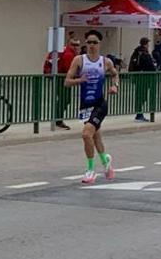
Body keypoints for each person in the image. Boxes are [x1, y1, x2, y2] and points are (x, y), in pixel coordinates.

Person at [64, 30, 120, 183]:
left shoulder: (105, 62)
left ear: (99, 44)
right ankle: (106, 162)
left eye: (95, 42)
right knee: (95, 137)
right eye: (89, 42)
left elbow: (115, 74)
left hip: (99, 104)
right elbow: (67, 82)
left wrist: (115, 86)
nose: (92, 45)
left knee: (86, 134)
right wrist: (79, 80)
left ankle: (90, 170)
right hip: (85, 105)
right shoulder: (79, 60)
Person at [49, 33, 80, 130]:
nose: (75, 47)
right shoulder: (68, 54)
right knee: (64, 99)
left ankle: (57, 118)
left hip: (60, 78)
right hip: (63, 79)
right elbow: (69, 69)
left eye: (77, 45)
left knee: (63, 99)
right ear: (68, 44)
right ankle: (58, 119)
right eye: (73, 44)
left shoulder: (67, 52)